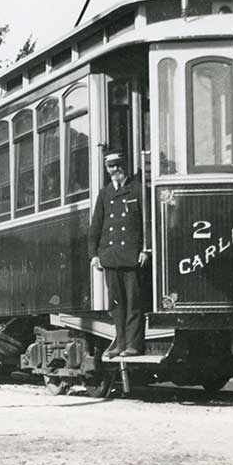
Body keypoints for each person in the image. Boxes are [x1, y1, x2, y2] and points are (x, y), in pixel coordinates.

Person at [88, 151, 149, 359]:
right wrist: (94, 255)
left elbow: (147, 222)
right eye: (110, 167)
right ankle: (120, 343)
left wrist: (146, 249)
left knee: (134, 303)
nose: (113, 170)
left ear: (124, 166)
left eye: (117, 166)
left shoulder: (138, 189)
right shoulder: (105, 194)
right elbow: (96, 226)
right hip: (111, 257)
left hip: (132, 256)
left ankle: (134, 344)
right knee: (116, 305)